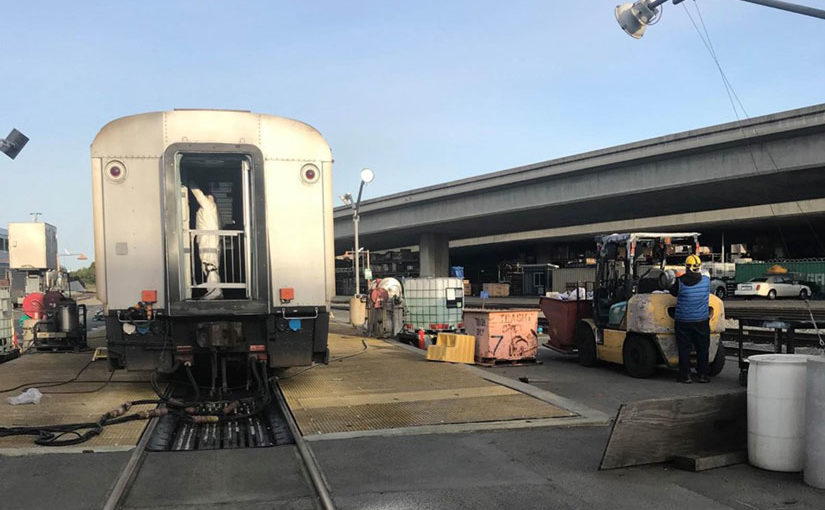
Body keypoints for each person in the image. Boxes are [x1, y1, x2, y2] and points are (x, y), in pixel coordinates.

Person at [670, 254, 711, 384]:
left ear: (687, 267)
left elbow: (673, 292)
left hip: (683, 321)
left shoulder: (680, 281)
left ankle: (685, 376)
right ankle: (703, 375)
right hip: (702, 321)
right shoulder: (706, 281)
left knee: (684, 348)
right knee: (702, 348)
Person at [191, 187, 222, 300]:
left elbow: (199, 195)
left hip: (208, 240)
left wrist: (191, 184)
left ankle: (214, 291)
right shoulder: (213, 209)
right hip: (208, 239)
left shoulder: (208, 204)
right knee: (210, 265)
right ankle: (215, 290)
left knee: (210, 265)